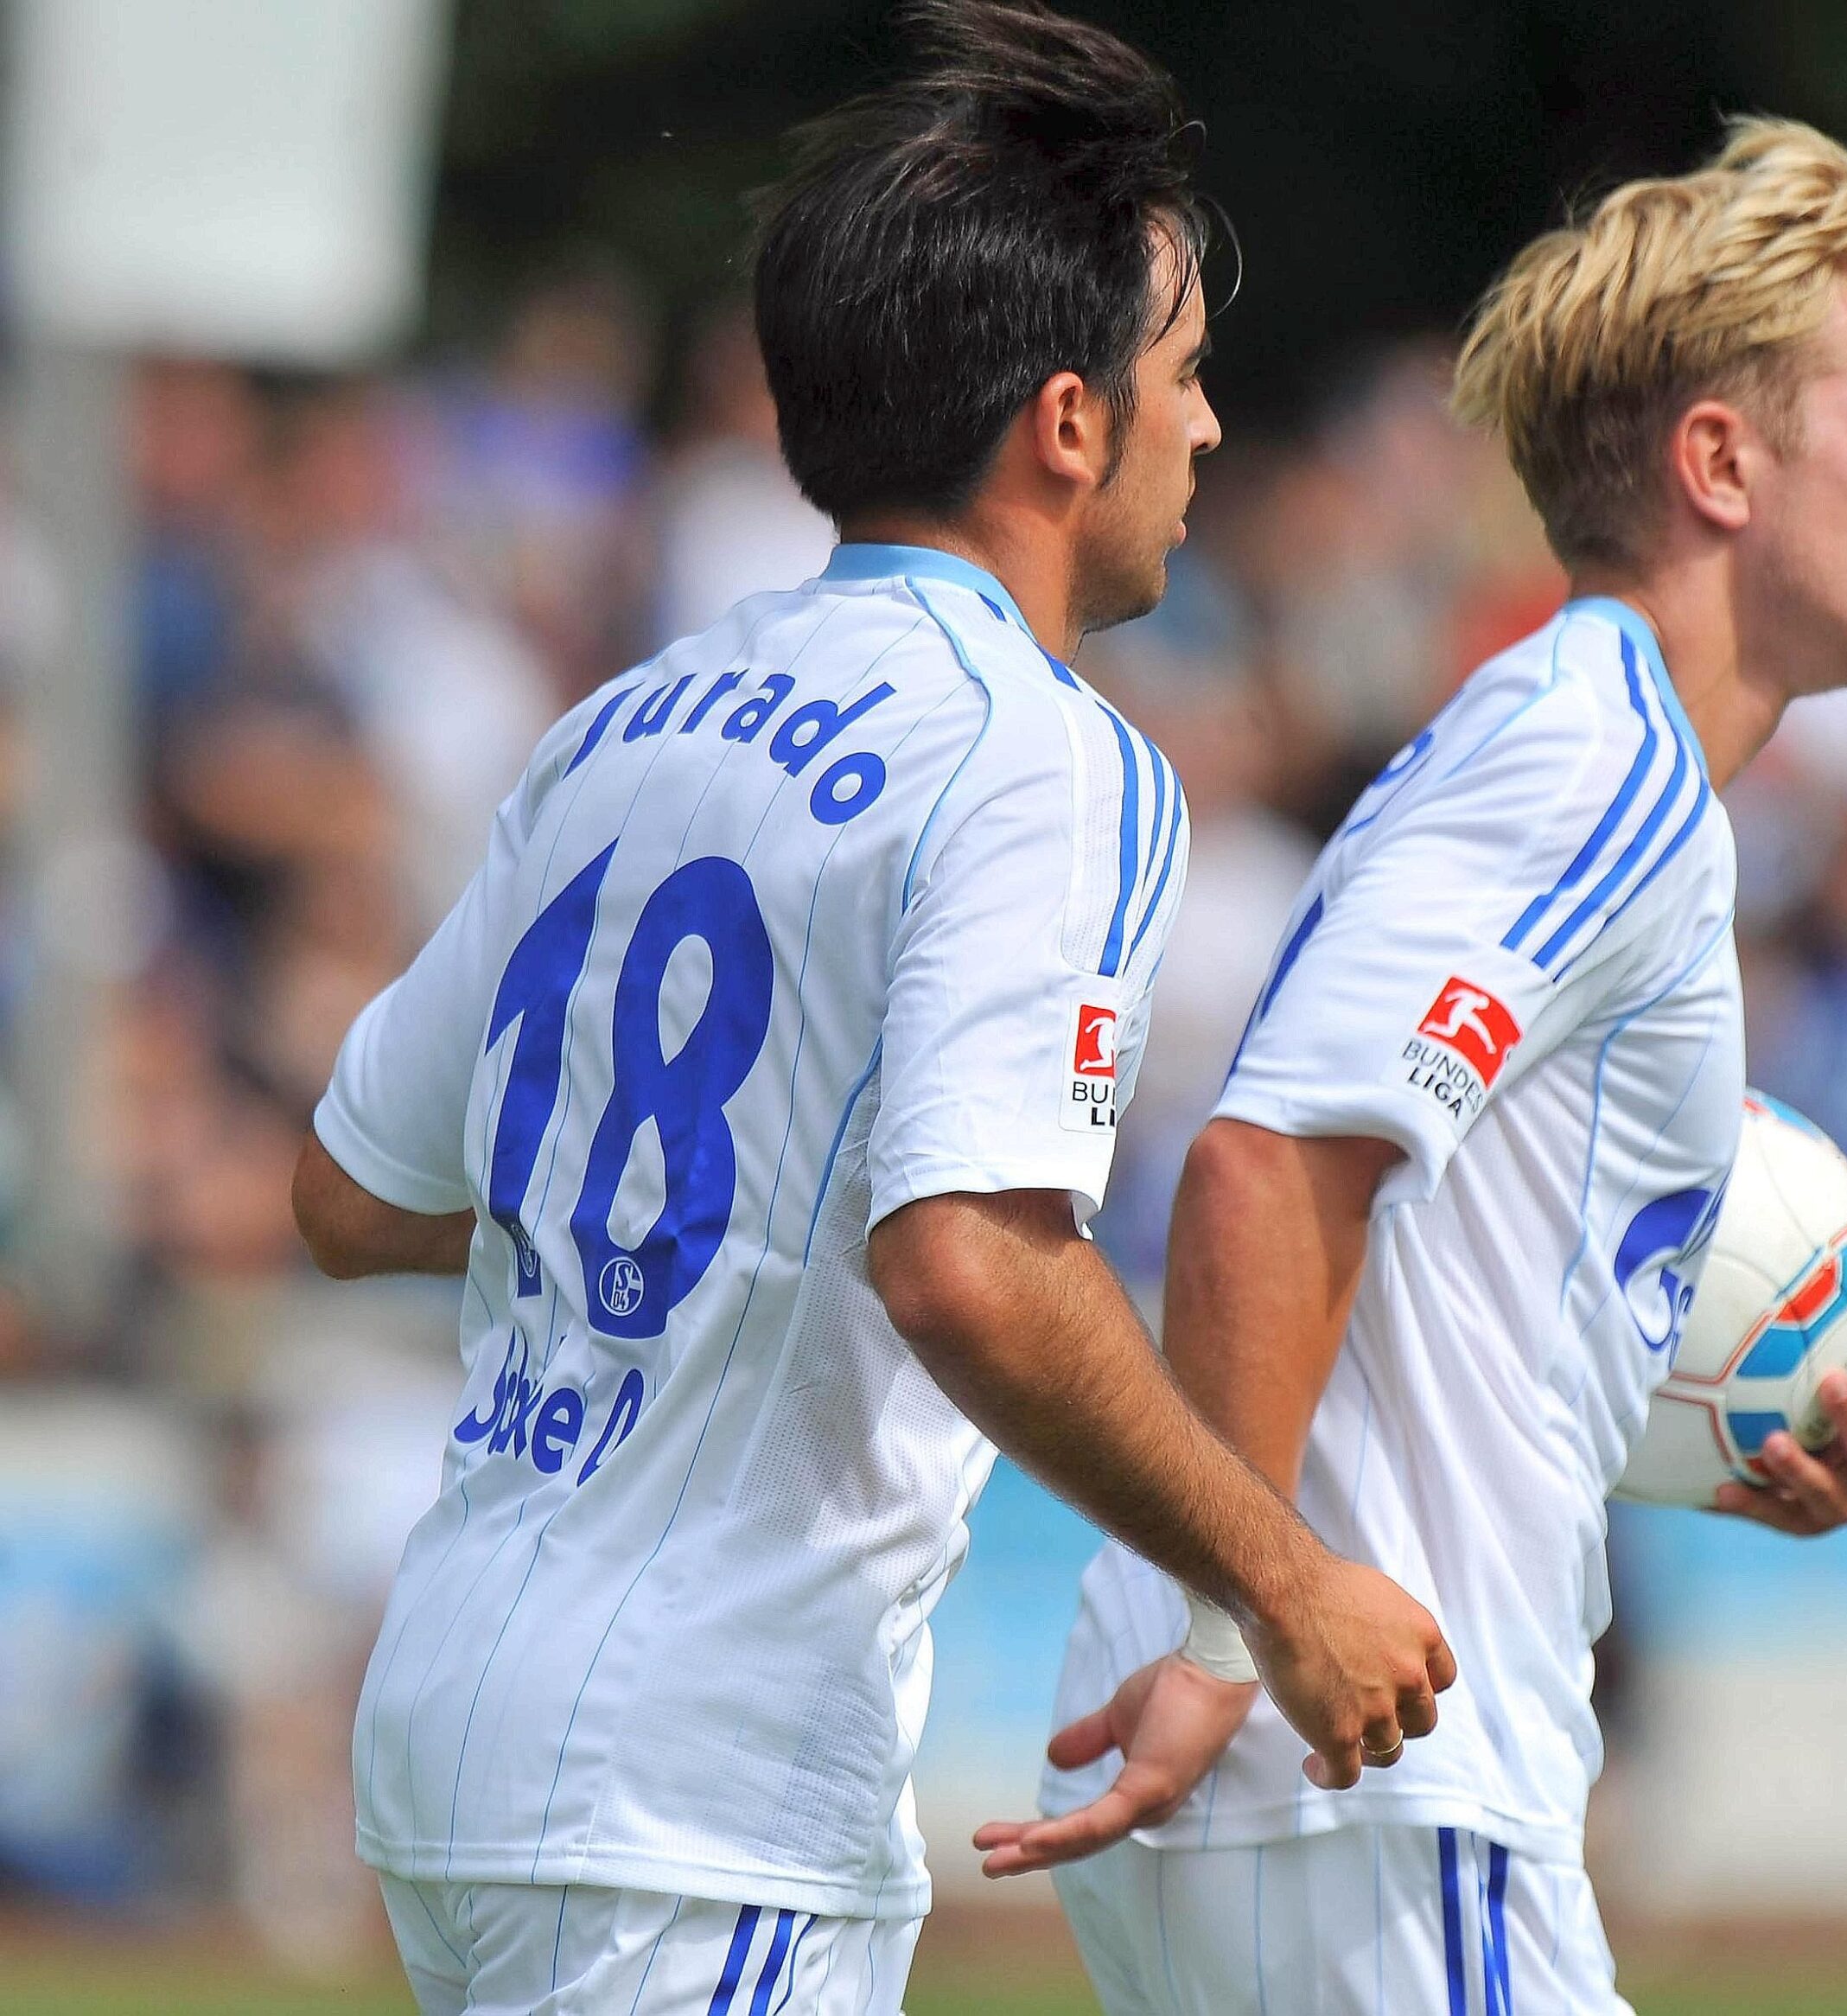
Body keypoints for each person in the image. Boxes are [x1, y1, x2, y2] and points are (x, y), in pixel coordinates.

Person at [288, 7, 1452, 2013]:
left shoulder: (621, 722)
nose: (1214, 432)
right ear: (1067, 424)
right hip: (700, 1772)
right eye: (1184, 380)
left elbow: (347, 1192)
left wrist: (702, 1212)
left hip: (464, 1713)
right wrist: (1280, 1582)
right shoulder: (1046, 756)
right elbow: (970, 1268)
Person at [982, 117, 1847, 2014]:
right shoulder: (1592, 753)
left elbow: (1431, 1256)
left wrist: (1726, 1421)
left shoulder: (1578, 747)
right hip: (1359, 1773)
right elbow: (1266, 1165)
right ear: (1717, 466)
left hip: (1333, 1773)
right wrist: (1227, 1622)